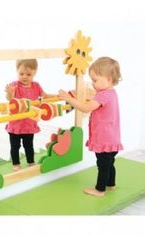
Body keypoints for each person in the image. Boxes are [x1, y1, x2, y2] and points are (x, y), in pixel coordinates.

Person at [58, 57, 123, 197]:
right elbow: (94, 101)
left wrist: (69, 99)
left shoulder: (103, 96)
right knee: (110, 163)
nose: (93, 84)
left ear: (109, 79)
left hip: (104, 139)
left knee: (103, 165)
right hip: (112, 139)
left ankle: (100, 190)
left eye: (95, 80)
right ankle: (111, 184)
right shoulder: (111, 93)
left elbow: (87, 108)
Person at [5, 59, 55, 171]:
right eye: (21, 74)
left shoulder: (36, 86)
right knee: (15, 146)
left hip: (29, 123)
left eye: (28, 74)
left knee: (29, 145)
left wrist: (57, 96)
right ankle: (16, 164)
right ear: (17, 72)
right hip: (15, 124)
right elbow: (10, 99)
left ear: (34, 73)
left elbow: (45, 96)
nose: (24, 77)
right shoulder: (15, 85)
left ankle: (31, 162)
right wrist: (9, 93)